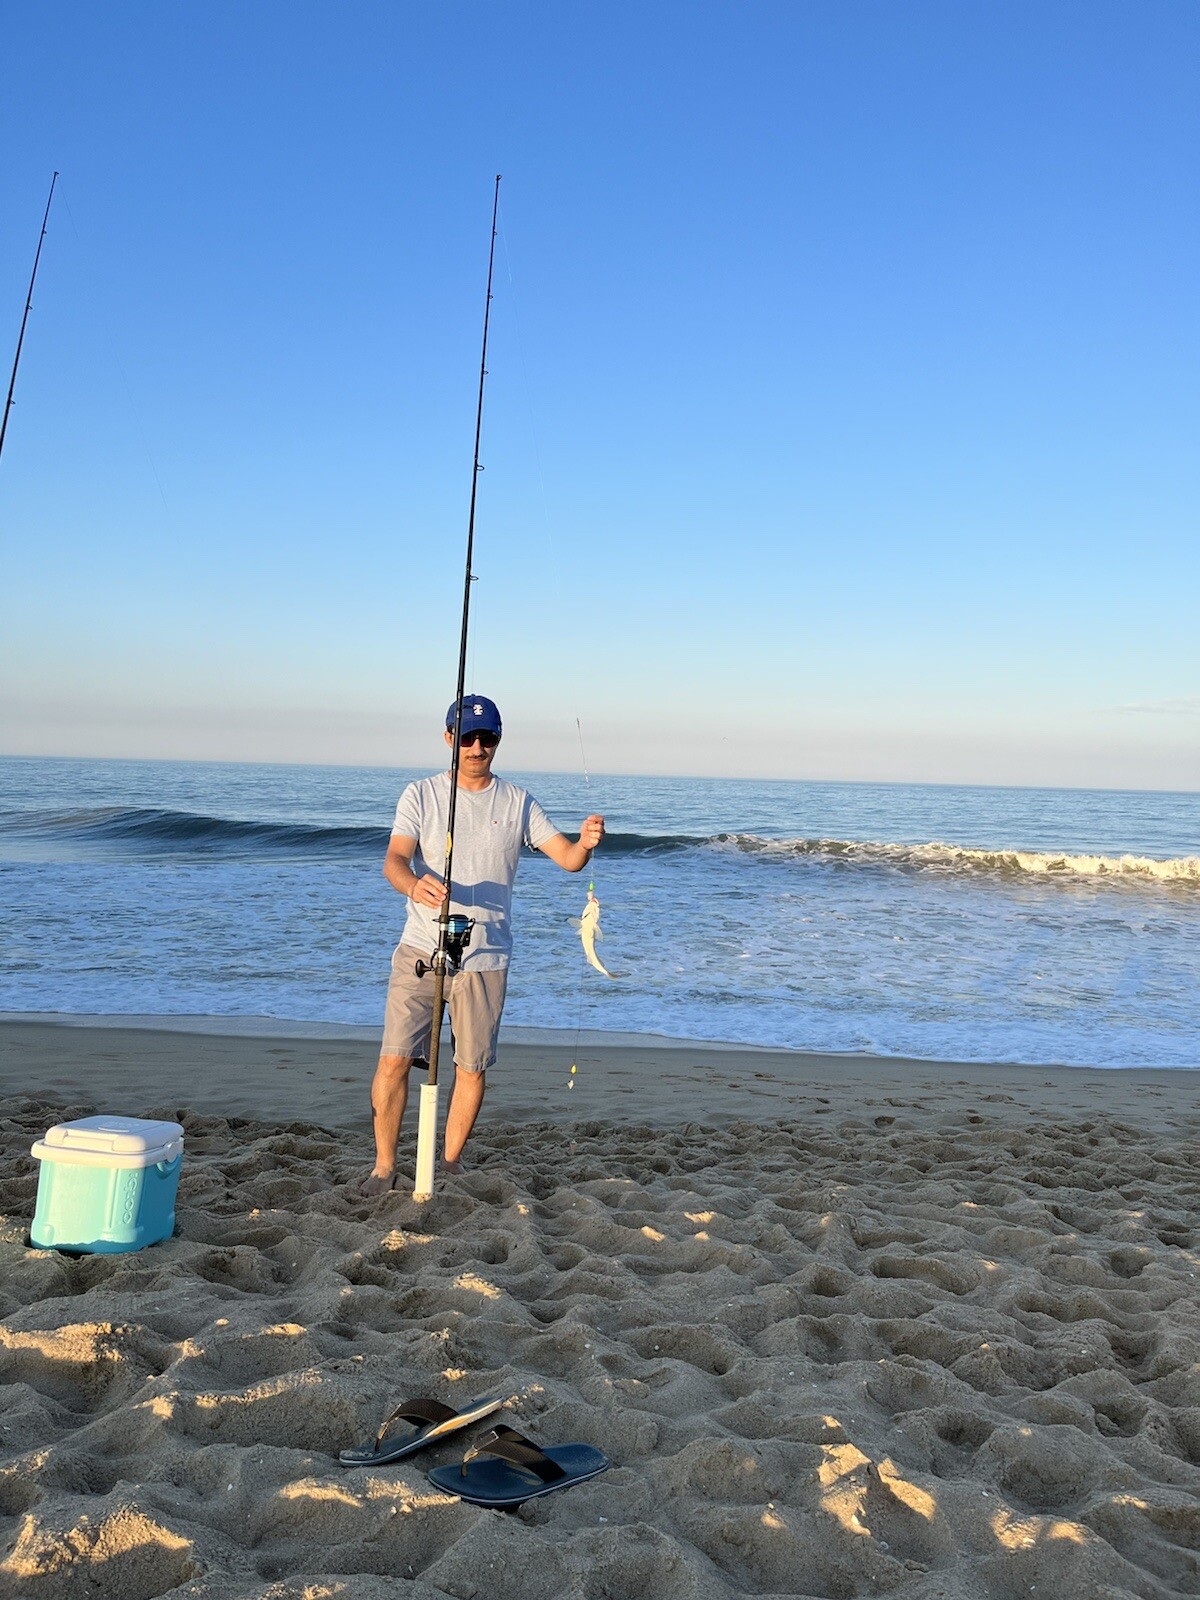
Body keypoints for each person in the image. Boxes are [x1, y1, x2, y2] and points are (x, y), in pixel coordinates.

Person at [360, 695, 604, 1194]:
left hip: (486, 955)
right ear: (449, 738)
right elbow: (394, 860)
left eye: (486, 738)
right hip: (421, 947)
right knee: (394, 1058)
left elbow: (568, 859)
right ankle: (384, 1167)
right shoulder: (421, 794)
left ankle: (449, 1165)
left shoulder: (518, 802)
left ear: (497, 741)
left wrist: (584, 843)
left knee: (470, 1066)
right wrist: (414, 886)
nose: (476, 747)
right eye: (466, 737)